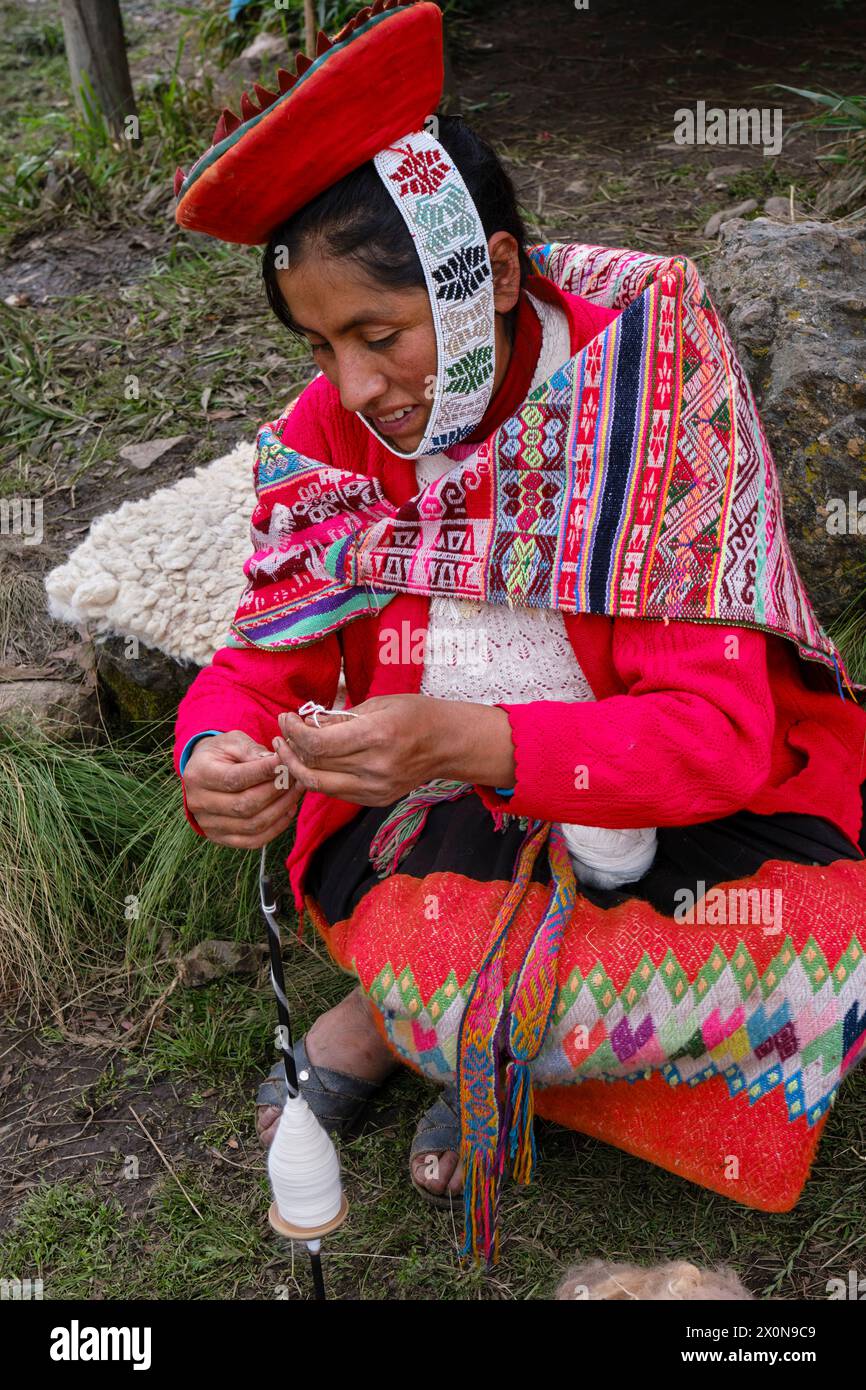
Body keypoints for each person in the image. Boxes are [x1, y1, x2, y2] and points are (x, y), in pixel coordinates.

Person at [173, 0, 866, 1263]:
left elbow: (716, 735)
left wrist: (470, 735)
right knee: (460, 956)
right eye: (322, 345)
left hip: (665, 789)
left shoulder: (653, 380)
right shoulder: (335, 432)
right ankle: (438, 1020)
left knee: (817, 962)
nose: (352, 389)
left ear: (488, 274)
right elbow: (261, 656)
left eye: (376, 335)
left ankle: (405, 1025)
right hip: (432, 804)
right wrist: (215, 744)